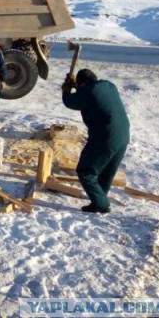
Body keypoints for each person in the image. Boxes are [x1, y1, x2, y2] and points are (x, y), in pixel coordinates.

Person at [62, 68, 130, 214]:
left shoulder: (87, 92)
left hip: (105, 137)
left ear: (82, 84)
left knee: (85, 171)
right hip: (123, 135)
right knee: (106, 171)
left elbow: (70, 102)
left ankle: (102, 204)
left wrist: (66, 90)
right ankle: (98, 199)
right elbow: (90, 93)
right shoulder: (109, 85)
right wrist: (76, 86)